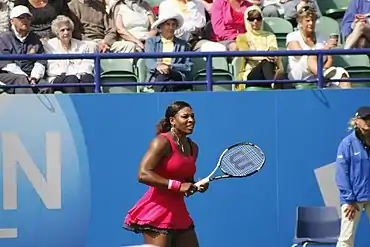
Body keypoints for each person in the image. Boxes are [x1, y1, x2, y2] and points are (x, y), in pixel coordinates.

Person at [124, 101, 209, 247]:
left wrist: (196, 186)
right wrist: (177, 186)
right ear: (172, 120)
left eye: (193, 116)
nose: (191, 120)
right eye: (185, 116)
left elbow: (185, 184)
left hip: (179, 213)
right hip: (157, 212)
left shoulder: (193, 148)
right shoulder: (162, 142)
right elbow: (143, 174)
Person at [335, 106, 370, 247]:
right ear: (356, 121)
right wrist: (349, 200)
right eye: (365, 119)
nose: (368, 122)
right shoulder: (347, 144)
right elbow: (341, 174)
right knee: (346, 239)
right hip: (352, 200)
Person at [0, 5, 47, 94]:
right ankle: (28, 107)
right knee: (22, 81)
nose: (25, 20)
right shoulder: (3, 39)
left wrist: (34, 77)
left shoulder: (36, 39)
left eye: (28, 17)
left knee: (45, 86)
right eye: (21, 17)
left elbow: (41, 62)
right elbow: (7, 65)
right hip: (7, 75)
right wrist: (26, 78)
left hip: (30, 75)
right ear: (12, 21)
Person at [44, 15, 94, 93]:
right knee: (71, 79)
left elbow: (87, 63)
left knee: (88, 78)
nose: (66, 32)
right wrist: (73, 74)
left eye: (68, 29)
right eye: (62, 30)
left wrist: (80, 74)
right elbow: (52, 68)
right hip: (58, 78)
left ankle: (93, 104)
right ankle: (76, 105)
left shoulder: (81, 45)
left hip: (79, 77)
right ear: (57, 33)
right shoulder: (50, 45)